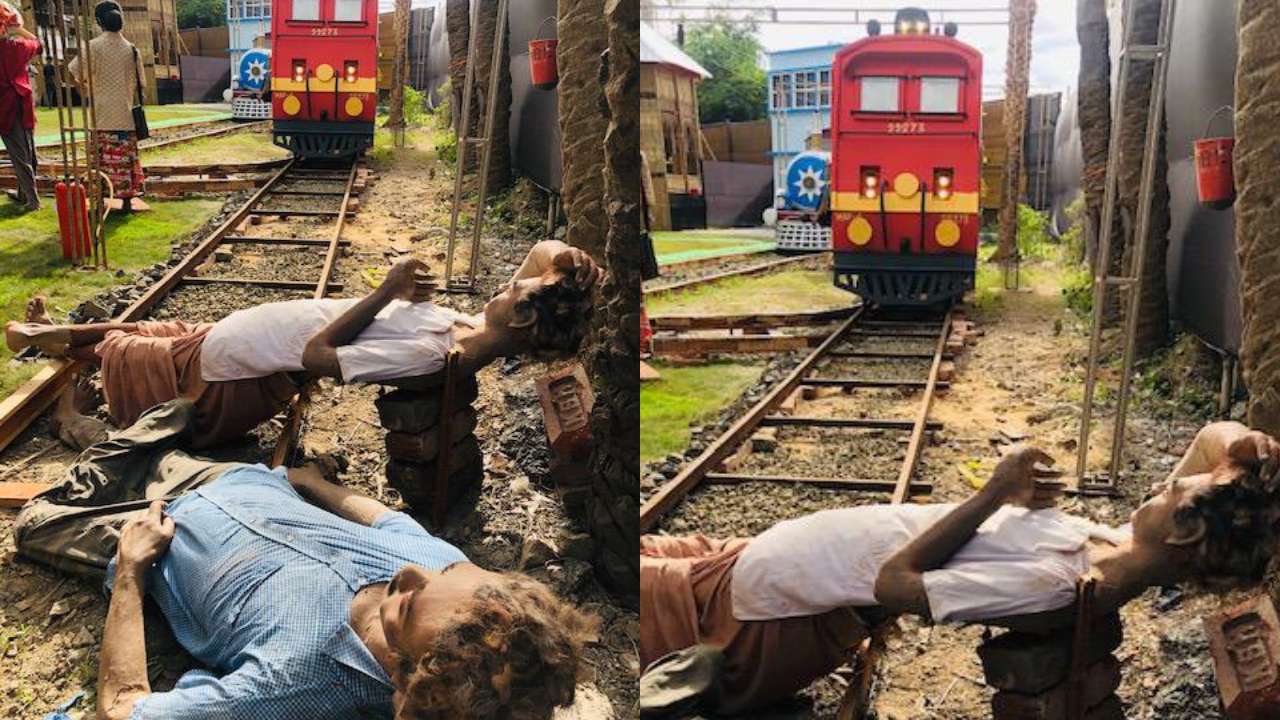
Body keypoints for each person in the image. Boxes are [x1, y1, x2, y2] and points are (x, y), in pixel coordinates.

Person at [13, 398, 597, 719]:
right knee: (167, 426)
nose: (411, 571)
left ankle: (88, 437)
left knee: (34, 521)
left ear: (404, 681)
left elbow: (125, 710)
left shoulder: (296, 683)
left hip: (145, 535)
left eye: (406, 602)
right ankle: (96, 432)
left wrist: (133, 572)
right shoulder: (450, 576)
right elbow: (381, 517)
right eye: (447, 572)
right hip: (236, 481)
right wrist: (304, 480)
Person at [639, 421, 1280, 715]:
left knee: (622, 586)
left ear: (1185, 527)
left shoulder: (1058, 584)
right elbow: (1210, 438)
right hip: (753, 564)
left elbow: (894, 585)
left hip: (752, 608)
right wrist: (1245, 450)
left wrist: (995, 492)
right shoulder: (1122, 547)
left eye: (1174, 493)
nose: (1161, 487)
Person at [5, 240, 600, 449]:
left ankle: (55, 350)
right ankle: (46, 337)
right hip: (238, 346)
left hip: (229, 374)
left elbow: (319, 358)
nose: (506, 281)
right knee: (147, 333)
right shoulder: (478, 327)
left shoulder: (434, 355)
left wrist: (388, 288)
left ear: (522, 314)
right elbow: (548, 248)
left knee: (132, 350)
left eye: (516, 287)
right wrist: (572, 272)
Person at [67, 0, 146, 212]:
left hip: (101, 114)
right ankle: (127, 200)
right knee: (124, 159)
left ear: (100, 22)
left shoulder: (92, 47)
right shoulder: (132, 50)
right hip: (126, 115)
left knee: (101, 160)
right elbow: (142, 84)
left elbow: (74, 71)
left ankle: (101, 199)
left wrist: (84, 88)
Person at [0, 1, 42, 212]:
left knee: (19, 153)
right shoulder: (17, 47)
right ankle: (25, 194)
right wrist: (20, 30)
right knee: (27, 149)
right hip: (22, 103)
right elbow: (38, 44)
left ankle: (32, 200)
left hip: (4, 106)